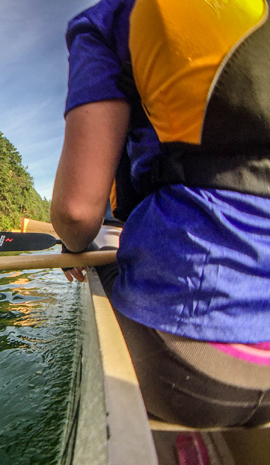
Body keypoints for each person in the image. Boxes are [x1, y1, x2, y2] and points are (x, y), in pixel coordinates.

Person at [51, 0, 270, 428]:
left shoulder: (109, 20)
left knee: (99, 278)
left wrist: (75, 246)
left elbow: (76, 213)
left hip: (192, 370)